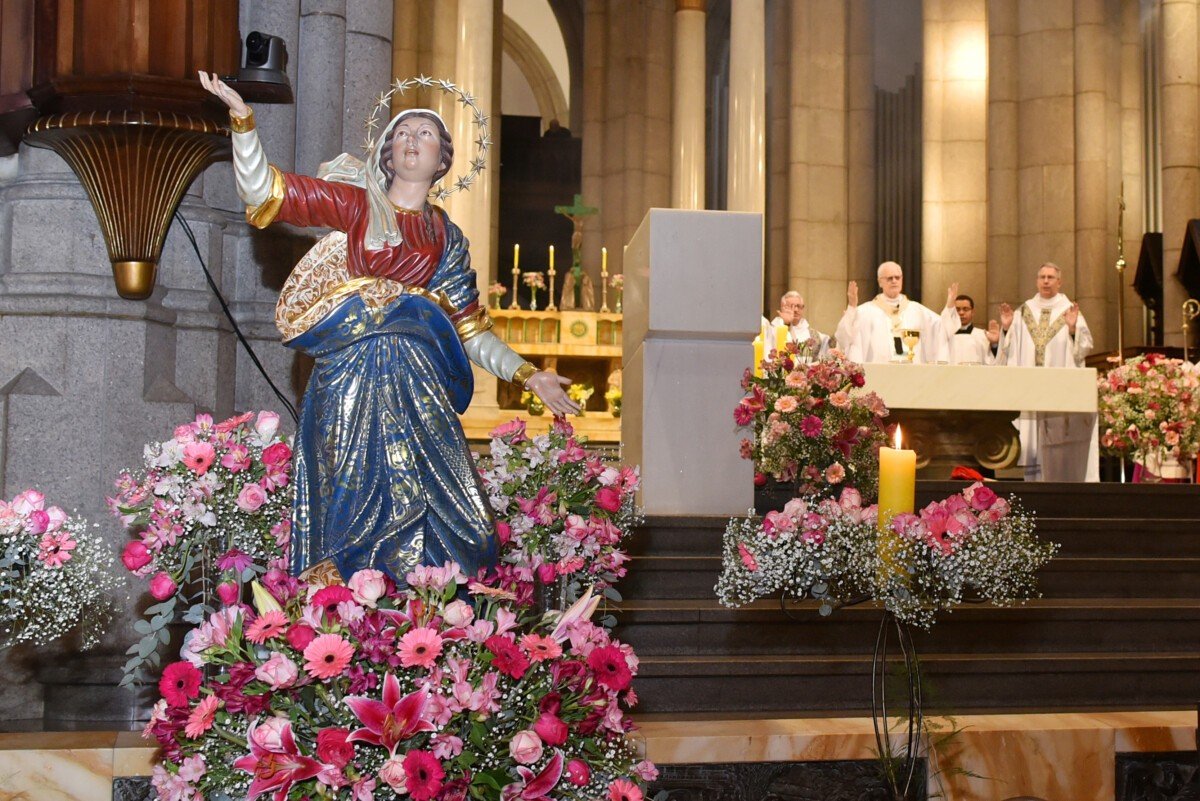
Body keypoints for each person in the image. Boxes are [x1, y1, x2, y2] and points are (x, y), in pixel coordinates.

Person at [199, 72, 579, 584]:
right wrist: (243, 121)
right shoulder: (357, 204)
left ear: (442, 160)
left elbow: (469, 330)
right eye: (401, 132)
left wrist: (530, 375)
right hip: (351, 377)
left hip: (419, 387)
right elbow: (264, 191)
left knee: (459, 514)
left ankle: (437, 603)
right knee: (351, 492)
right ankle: (349, 606)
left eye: (424, 133)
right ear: (387, 154)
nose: (410, 140)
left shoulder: (445, 237)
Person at [999, 262, 1098, 482]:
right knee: (1031, 441)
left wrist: (1072, 329)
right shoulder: (1024, 310)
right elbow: (1009, 350)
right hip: (1029, 388)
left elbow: (1084, 347)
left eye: (1050, 277)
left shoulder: (1069, 310)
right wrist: (1006, 328)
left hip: (1057, 390)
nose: (1046, 281)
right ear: (1036, 281)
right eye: (1042, 277)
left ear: (1059, 282)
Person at [835, 261, 943, 363]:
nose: (894, 281)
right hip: (878, 372)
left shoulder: (917, 310)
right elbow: (844, 336)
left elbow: (942, 328)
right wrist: (852, 306)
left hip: (911, 371)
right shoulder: (865, 311)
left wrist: (950, 309)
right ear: (880, 282)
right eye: (889, 278)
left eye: (897, 277)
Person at [939, 285, 1003, 365]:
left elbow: (994, 364)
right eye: (957, 309)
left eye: (965, 309)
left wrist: (994, 345)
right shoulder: (945, 336)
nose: (961, 313)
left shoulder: (983, 335)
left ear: (972, 312)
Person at [763, 291, 830, 359]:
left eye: (798, 306)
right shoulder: (772, 331)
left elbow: (829, 348)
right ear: (782, 307)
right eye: (791, 306)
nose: (795, 309)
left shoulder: (814, 335)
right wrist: (787, 324)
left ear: (803, 308)